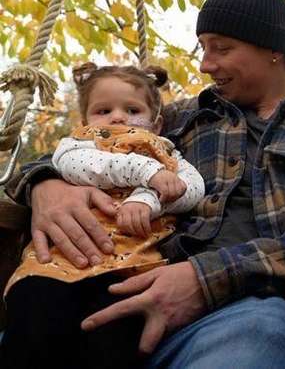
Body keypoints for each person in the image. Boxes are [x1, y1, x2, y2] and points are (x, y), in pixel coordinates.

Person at [4, 0, 285, 368]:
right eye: (203, 47)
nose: (206, 64)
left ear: (274, 50)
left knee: (250, 349)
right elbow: (93, 143)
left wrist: (210, 277)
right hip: (135, 295)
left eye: (221, 48)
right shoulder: (181, 118)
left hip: (259, 313)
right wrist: (44, 183)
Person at [0, 62, 205, 368]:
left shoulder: (167, 153)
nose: (118, 117)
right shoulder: (80, 144)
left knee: (111, 339)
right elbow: (77, 165)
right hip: (60, 261)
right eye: (103, 110)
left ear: (157, 124)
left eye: (133, 110)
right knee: (35, 319)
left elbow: (191, 187)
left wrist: (148, 200)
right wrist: (148, 173)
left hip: (132, 269)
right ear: (85, 120)